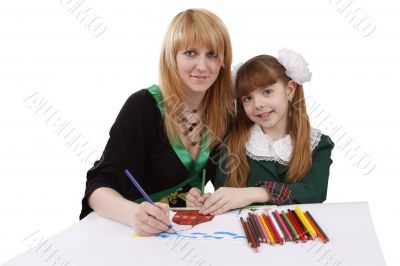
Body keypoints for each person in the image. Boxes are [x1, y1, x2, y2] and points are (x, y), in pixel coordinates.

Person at [79, 8, 234, 236]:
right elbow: (97, 188)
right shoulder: (143, 106)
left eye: (212, 54)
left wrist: (193, 196)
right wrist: (134, 214)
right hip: (129, 234)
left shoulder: (224, 114)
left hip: (183, 233)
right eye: (190, 53)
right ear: (172, 57)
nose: (202, 66)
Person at [186, 49, 334, 216]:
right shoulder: (233, 143)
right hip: (247, 234)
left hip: (299, 235)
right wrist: (207, 201)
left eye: (267, 92)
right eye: (247, 98)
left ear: (290, 90)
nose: (257, 104)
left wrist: (257, 193)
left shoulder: (317, 144)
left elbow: (314, 191)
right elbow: (226, 194)